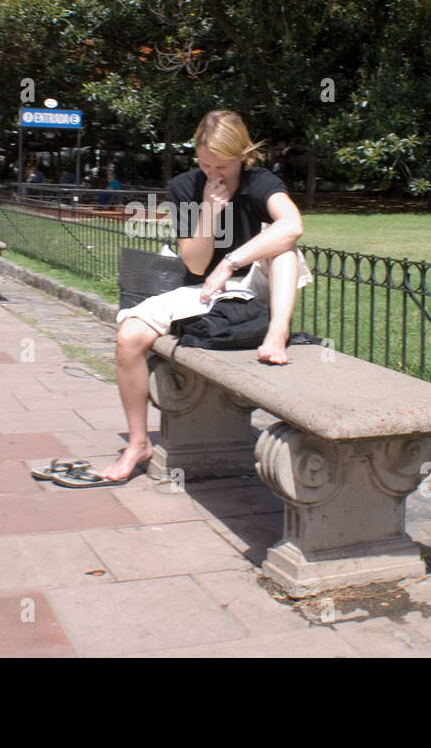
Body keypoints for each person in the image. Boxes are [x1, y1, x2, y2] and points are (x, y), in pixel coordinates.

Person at [100, 110, 312, 484]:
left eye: (223, 165)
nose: (214, 173)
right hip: (201, 285)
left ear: (244, 155)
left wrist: (230, 262)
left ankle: (277, 332)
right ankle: (138, 444)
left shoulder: (260, 181)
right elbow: (196, 265)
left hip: (251, 279)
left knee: (285, 247)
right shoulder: (186, 186)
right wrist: (210, 210)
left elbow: (293, 224)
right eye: (205, 163)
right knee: (128, 337)